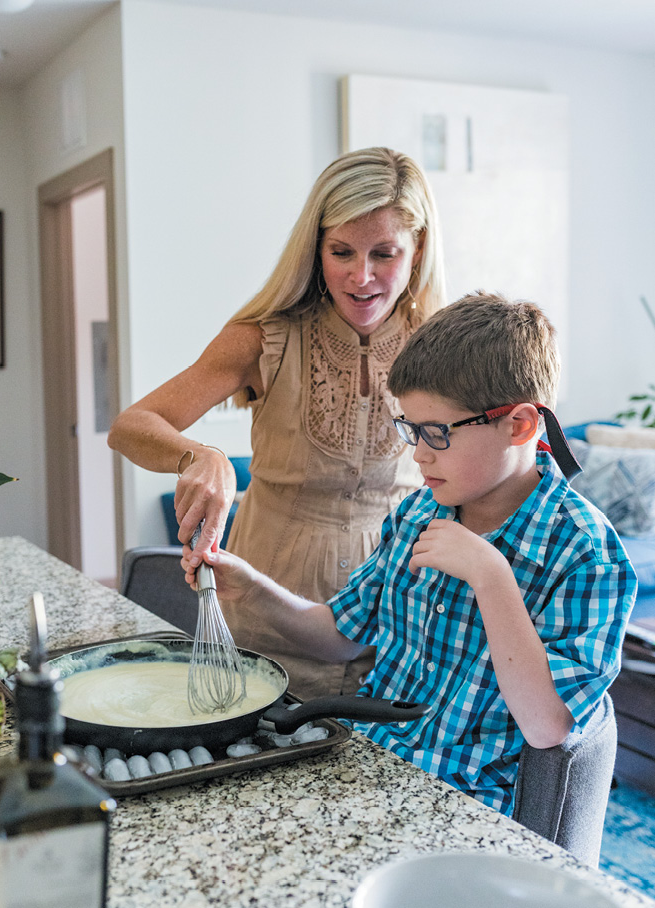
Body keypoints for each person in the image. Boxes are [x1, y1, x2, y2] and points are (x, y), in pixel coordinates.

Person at [185, 292, 637, 814]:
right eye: (410, 430)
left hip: (461, 808)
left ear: (520, 425)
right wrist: (250, 586)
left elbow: (548, 726)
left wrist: (491, 577)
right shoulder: (418, 512)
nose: (418, 454)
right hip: (361, 762)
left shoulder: (586, 555)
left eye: (437, 433)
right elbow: (340, 638)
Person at [108, 146, 446, 698]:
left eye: (384, 253)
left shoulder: (440, 343)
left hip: (397, 615)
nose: (362, 278)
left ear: (419, 248)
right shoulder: (264, 336)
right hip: (265, 609)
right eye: (342, 252)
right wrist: (201, 456)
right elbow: (132, 425)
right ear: (315, 249)